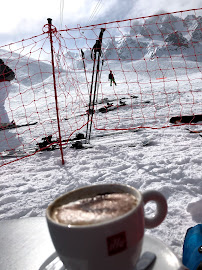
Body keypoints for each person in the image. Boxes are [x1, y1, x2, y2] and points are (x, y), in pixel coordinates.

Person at [0, 59, 15, 127]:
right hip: (7, 84)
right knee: (1, 104)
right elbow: (12, 74)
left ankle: (5, 123)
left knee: (0, 105)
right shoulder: (5, 66)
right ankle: (3, 122)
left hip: (1, 84)